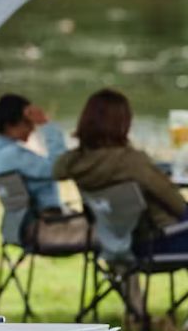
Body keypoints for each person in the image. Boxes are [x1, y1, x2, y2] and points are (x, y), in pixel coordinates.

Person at [53, 89, 188, 255]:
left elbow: (57, 169)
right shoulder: (131, 162)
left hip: (114, 242)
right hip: (157, 241)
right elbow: (177, 204)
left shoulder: (75, 162)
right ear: (124, 123)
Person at [0, 93, 66, 213]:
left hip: (26, 223)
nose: (33, 128)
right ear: (9, 126)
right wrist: (46, 124)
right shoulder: (11, 155)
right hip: (46, 222)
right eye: (29, 123)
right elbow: (60, 167)